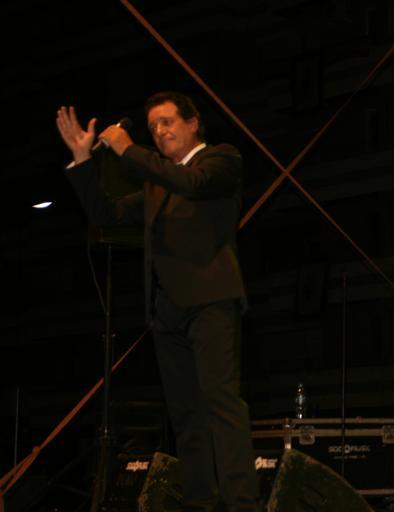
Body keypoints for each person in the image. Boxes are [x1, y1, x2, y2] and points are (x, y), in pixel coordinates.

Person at [56, 92, 260, 511]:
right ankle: (200, 503)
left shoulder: (221, 159)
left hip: (211, 300)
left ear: (193, 123)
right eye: (152, 127)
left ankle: (243, 503)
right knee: (185, 415)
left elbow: (192, 184)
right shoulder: (156, 183)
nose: (160, 131)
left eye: (167, 122)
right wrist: (83, 160)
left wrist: (128, 148)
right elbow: (107, 214)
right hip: (168, 311)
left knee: (221, 404)